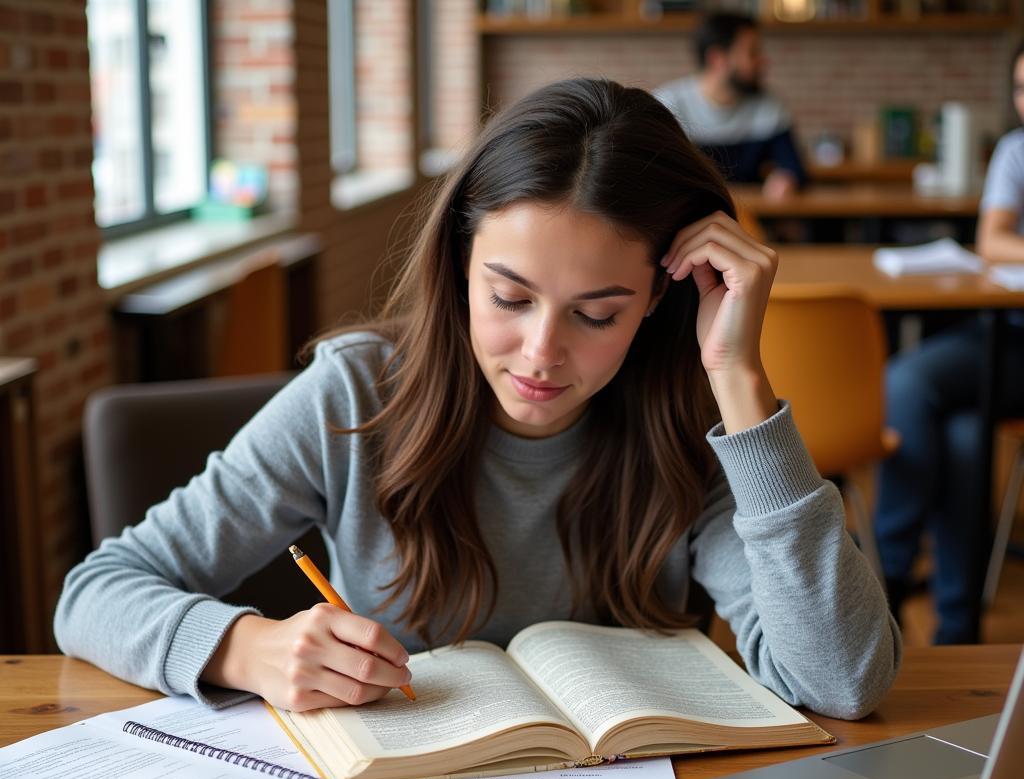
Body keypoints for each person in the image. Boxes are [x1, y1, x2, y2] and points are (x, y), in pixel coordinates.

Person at [55, 78, 898, 720]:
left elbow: (843, 682)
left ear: (657, 301)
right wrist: (244, 647)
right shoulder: (354, 394)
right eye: (509, 297)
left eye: (596, 314)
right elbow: (96, 591)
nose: (540, 353)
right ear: (459, 267)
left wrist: (742, 379)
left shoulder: (698, 423)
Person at [874, 43, 1024, 644]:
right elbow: (993, 241)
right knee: (963, 435)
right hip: (1006, 333)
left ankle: (887, 573)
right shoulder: (1016, 150)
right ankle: (957, 625)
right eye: (1019, 88)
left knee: (907, 380)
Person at [654, 12, 806, 199]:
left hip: (752, 217)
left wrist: (787, 178)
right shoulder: (667, 106)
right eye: (752, 52)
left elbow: (794, 167)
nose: (763, 61)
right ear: (717, 59)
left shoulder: (769, 106)